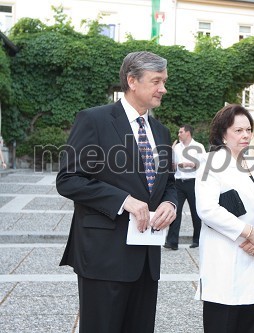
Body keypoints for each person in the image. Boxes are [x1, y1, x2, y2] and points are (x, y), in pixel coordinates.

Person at [56, 51, 178, 333]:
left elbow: (168, 182)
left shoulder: (161, 131)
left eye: (164, 81)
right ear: (132, 81)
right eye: (157, 81)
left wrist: (171, 204)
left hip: (146, 259)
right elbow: (68, 179)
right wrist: (124, 201)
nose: (163, 89)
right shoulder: (94, 120)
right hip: (103, 257)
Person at [195, 104, 254, 333]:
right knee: (223, 322)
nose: (246, 135)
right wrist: (249, 233)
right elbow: (207, 209)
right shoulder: (211, 163)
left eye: (248, 129)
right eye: (238, 130)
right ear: (223, 134)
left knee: (249, 323)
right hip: (225, 258)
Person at [164, 124, 206, 250]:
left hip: (193, 182)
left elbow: (204, 165)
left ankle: (197, 240)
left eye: (181, 132)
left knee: (195, 212)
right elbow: (171, 165)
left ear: (188, 133)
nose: (178, 134)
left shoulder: (199, 147)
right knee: (175, 211)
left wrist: (191, 164)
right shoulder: (176, 147)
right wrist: (174, 163)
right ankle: (172, 242)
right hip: (178, 183)